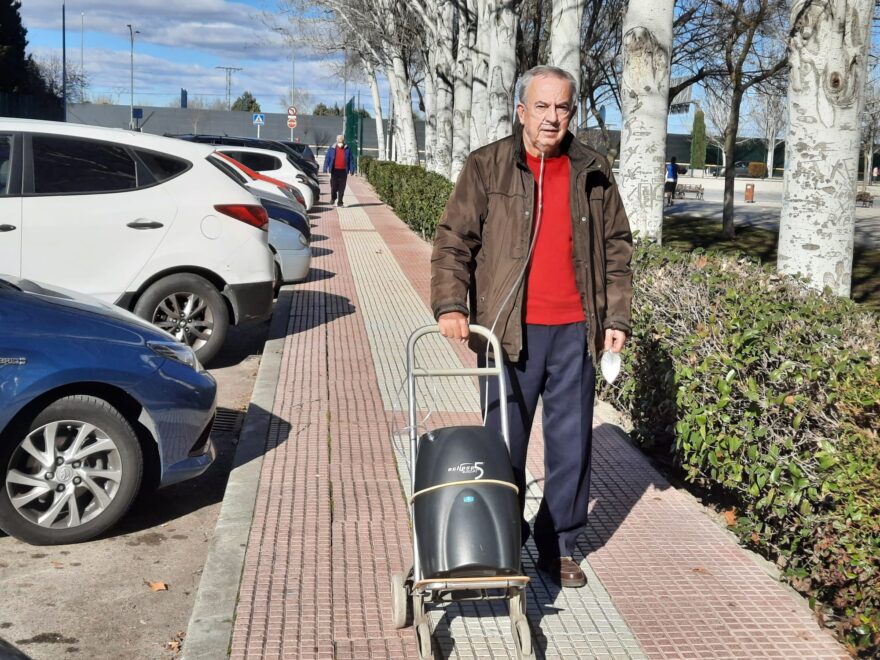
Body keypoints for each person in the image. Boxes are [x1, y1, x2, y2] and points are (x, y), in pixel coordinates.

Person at [430, 65, 633, 589]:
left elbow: (617, 248)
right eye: (541, 106)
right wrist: (451, 304)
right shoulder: (487, 166)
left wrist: (616, 317)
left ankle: (558, 545)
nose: (551, 117)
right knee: (504, 447)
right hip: (508, 333)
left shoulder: (593, 168)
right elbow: (454, 241)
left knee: (571, 448)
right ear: (522, 111)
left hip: (575, 332)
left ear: (572, 112)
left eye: (562, 107)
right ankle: (503, 539)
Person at [323, 135, 354, 207]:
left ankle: (340, 201)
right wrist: (325, 168)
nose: (341, 140)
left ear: (344, 140)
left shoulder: (348, 148)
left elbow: (351, 160)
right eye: (339, 139)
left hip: (343, 170)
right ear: (337, 140)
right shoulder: (332, 148)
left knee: (342, 187)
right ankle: (333, 198)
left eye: (342, 139)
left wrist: (352, 169)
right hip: (334, 170)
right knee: (333, 186)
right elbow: (327, 158)